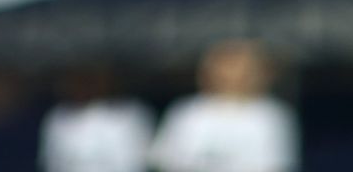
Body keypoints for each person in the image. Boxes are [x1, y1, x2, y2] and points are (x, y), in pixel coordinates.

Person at [148, 41, 298, 172]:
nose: (230, 75)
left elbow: (273, 166)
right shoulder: (185, 111)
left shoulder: (272, 115)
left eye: (239, 68)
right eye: (224, 66)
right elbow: (165, 162)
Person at [38, 65, 152, 172]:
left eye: (89, 78)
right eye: (77, 78)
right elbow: (52, 164)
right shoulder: (56, 118)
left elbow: (136, 164)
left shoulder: (130, 115)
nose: (83, 84)